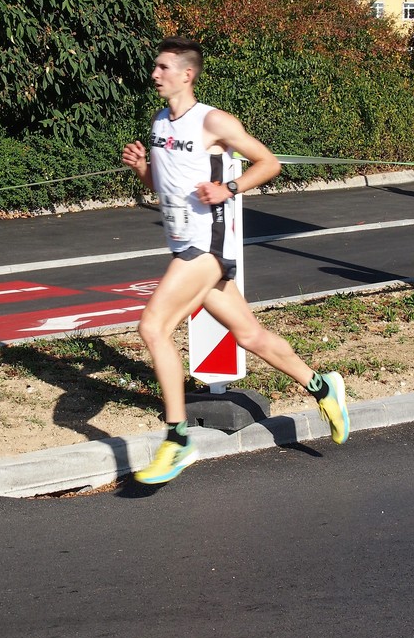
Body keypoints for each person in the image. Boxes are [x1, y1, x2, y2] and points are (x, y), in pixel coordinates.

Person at [121, 37, 350, 484]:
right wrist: (142, 170)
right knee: (248, 334)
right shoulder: (158, 124)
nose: (155, 74)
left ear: (186, 74)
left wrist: (230, 188)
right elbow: (165, 190)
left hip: (207, 246)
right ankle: (323, 386)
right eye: (155, 67)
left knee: (152, 327)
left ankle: (177, 439)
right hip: (184, 243)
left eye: (163, 67)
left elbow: (268, 162)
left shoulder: (213, 121)